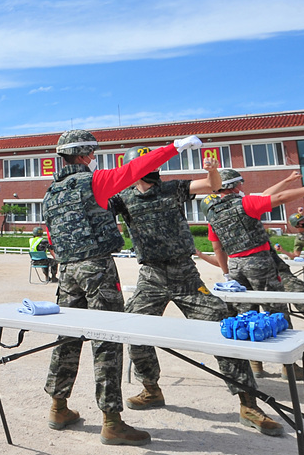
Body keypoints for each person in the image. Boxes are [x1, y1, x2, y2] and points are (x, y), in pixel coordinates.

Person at [39, 128, 202, 446]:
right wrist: (174, 147)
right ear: (86, 155)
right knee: (108, 341)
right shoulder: (93, 181)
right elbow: (135, 170)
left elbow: (52, 237)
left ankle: (58, 407)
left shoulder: (50, 194)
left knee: (67, 339)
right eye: (93, 154)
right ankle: (112, 422)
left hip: (68, 271)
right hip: (97, 268)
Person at [108, 151, 282, 437]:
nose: (150, 170)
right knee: (134, 328)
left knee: (223, 325)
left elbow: (210, 186)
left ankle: (248, 404)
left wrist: (213, 170)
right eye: (143, 165)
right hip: (151, 276)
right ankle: (151, 388)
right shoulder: (122, 198)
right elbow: (97, 202)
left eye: (153, 165)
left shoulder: (171, 188)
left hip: (185, 275)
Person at [203, 169, 304, 375]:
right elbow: (276, 198)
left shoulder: (215, 214)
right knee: (291, 308)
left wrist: (286, 180)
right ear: (235, 185)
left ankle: (256, 364)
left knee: (247, 315)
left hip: (237, 268)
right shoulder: (245, 204)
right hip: (266, 265)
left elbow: (218, 248)